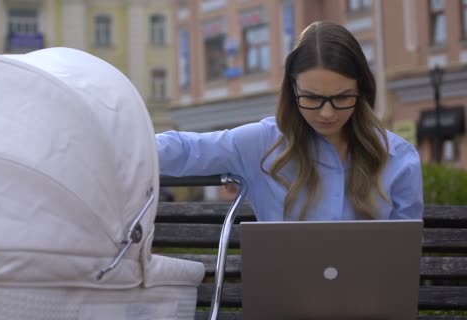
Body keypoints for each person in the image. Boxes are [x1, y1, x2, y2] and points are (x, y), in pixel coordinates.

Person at [157, 21, 423, 222]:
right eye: (312, 98)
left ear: (362, 89)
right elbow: (183, 150)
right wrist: (118, 140)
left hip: (371, 296)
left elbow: (404, 255)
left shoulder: (399, 158)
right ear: (292, 91)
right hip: (283, 296)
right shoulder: (260, 143)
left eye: (342, 97)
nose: (327, 113)